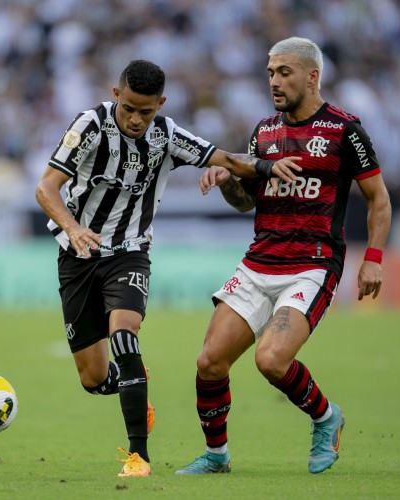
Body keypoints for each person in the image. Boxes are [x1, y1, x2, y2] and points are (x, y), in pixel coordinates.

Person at [34, 59, 300, 478]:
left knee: (125, 333)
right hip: (78, 255)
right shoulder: (89, 126)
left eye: (147, 111)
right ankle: (132, 387)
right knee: (92, 378)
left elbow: (225, 157)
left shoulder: (166, 135)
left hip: (129, 253)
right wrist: (74, 228)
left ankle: (138, 457)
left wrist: (266, 167)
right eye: (129, 109)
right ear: (116, 94)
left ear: (161, 103)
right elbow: (46, 186)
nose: (137, 119)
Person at [176, 36, 392, 475]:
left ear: (312, 76)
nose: (274, 81)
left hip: (312, 265)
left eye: (284, 72)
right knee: (209, 361)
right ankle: (216, 455)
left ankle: (326, 417)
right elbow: (246, 201)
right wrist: (226, 180)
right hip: (259, 261)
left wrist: (373, 258)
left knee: (271, 360)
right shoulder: (265, 132)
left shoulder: (345, 130)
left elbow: (379, 199)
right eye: (271, 72)